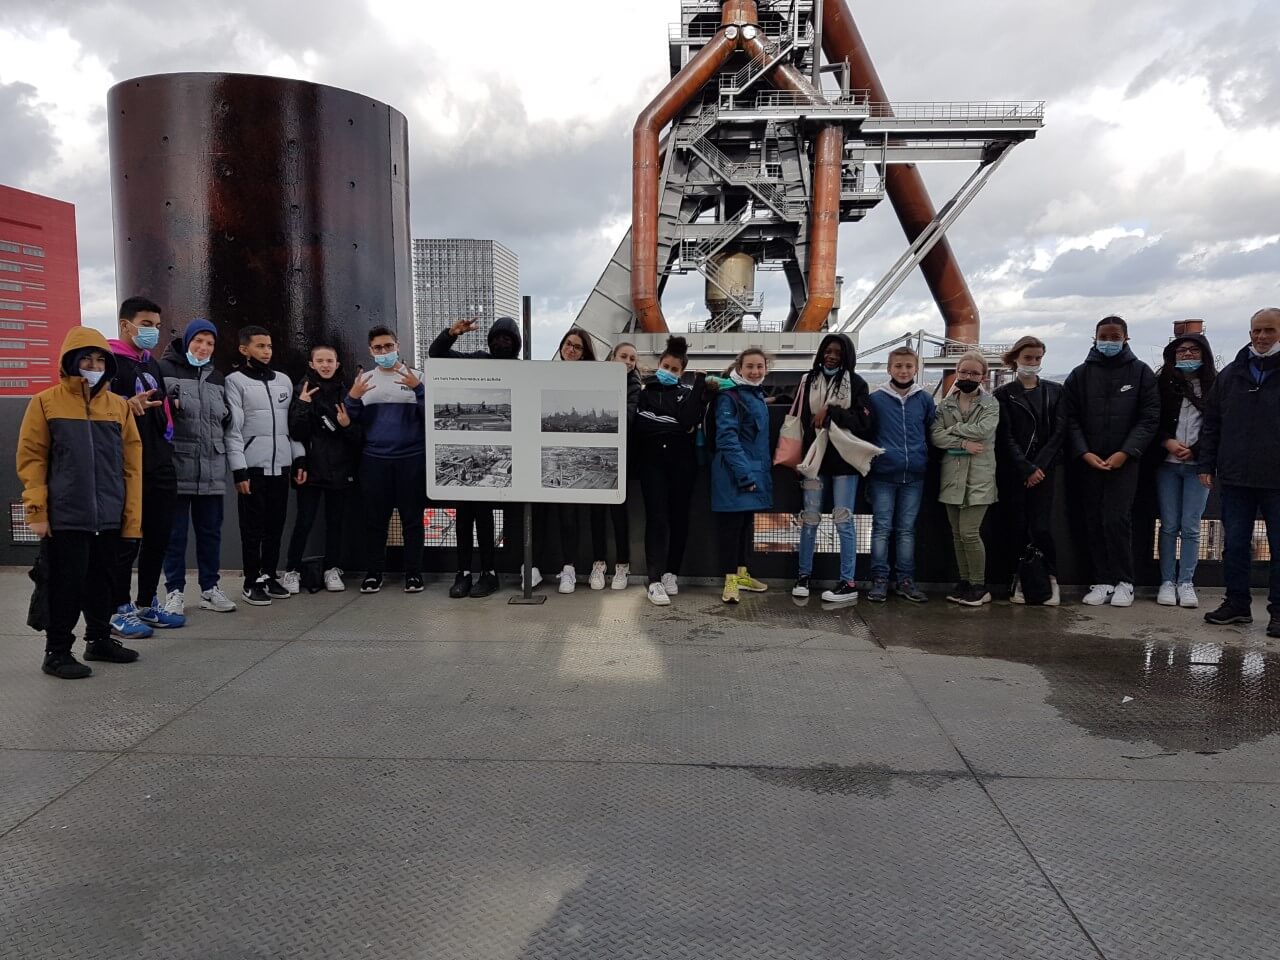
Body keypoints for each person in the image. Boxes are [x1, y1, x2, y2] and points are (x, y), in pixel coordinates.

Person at [17, 329, 143, 679]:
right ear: (70, 361)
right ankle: (57, 652)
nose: (93, 365)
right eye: (86, 358)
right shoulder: (45, 402)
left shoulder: (118, 407)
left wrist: (131, 518)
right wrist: (37, 510)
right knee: (64, 585)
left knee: (103, 582)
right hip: (66, 515)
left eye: (100, 359)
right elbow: (32, 459)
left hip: (110, 515)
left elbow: (132, 467)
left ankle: (99, 639)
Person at [1063, 315, 1160, 607]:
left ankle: (1124, 582)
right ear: (1094, 339)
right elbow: (1069, 418)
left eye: (1114, 337)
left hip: (1125, 462)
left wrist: (1126, 452)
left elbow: (1149, 417)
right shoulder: (1080, 374)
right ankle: (1102, 580)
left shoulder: (1141, 373)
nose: (1108, 342)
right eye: (1103, 337)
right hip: (1089, 461)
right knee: (1093, 519)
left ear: (1126, 338)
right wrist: (1084, 452)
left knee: (1117, 520)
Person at [1200, 308, 1280, 638]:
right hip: (1235, 475)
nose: (1261, 336)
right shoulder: (1231, 374)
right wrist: (1206, 464)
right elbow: (1212, 422)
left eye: (1269, 330)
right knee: (1234, 545)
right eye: (1256, 330)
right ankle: (1236, 604)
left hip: (1276, 479)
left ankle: (1278, 612)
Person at [106, 296, 184, 638]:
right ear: (126, 325)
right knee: (126, 541)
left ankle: (146, 601)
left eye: (157, 325)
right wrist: (126, 404)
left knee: (159, 536)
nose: (153, 331)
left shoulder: (152, 365)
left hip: (160, 463)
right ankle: (118, 607)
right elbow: (95, 406)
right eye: (146, 325)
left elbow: (162, 408)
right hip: (126, 467)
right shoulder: (109, 363)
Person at [428, 315, 522, 598]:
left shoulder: (522, 370)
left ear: (516, 343)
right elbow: (437, 354)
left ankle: (488, 573)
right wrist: (451, 333)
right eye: (497, 338)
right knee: (464, 515)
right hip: (473, 449)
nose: (501, 343)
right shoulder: (477, 359)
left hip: (497, 451)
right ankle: (464, 573)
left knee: (483, 516)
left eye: (507, 339)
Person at [158, 319, 238, 614]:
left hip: (212, 467)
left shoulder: (218, 377)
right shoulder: (164, 370)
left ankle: (210, 589)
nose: (204, 347)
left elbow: (226, 419)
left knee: (210, 534)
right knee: (175, 535)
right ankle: (174, 591)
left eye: (210, 343)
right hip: (177, 466)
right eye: (199, 341)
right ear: (187, 341)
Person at [790, 333, 876, 605]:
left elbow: (863, 422)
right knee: (809, 519)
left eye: (838, 352)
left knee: (843, 519)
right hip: (814, 461)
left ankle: (848, 582)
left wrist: (830, 413)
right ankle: (803, 576)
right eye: (828, 351)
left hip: (843, 463)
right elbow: (799, 415)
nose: (831, 356)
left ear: (846, 356)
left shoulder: (857, 384)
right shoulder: (808, 381)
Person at [225, 326, 303, 606]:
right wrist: (239, 469)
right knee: (252, 529)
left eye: (269, 346)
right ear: (244, 349)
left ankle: (269, 575)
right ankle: (251, 581)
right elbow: (233, 430)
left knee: (275, 526)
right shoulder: (234, 381)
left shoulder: (283, 381)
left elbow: (292, 425)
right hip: (253, 468)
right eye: (260, 346)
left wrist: (298, 457)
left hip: (281, 467)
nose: (266, 351)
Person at [634, 336, 716, 605]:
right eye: (665, 366)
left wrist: (699, 384)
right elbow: (643, 425)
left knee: (679, 518)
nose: (668, 372)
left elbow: (689, 418)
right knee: (656, 519)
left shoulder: (688, 392)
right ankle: (654, 579)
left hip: (683, 464)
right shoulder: (645, 392)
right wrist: (676, 423)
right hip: (651, 463)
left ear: (682, 372)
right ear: (659, 364)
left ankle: (672, 573)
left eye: (674, 369)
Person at [345, 326, 426, 595]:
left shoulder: (417, 377)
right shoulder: (364, 380)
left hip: (411, 459)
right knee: (375, 522)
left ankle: (413, 574)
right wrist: (353, 397)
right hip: (374, 460)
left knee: (412, 521)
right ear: (370, 351)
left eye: (388, 346)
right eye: (378, 348)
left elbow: (433, 415)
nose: (384, 351)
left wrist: (419, 390)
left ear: (398, 346)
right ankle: (374, 574)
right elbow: (349, 418)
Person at [282, 345, 362, 594]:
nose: (325, 365)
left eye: (330, 361)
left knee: (335, 523)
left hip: (340, 469)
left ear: (337, 364)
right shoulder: (302, 390)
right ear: (312, 364)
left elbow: (358, 437)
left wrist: (346, 425)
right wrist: (303, 405)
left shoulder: (347, 393)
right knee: (304, 522)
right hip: (310, 470)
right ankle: (292, 570)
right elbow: (295, 432)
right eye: (320, 361)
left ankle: (332, 569)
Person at [993, 336, 1066, 605]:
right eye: (1028, 358)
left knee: (1042, 527)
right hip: (1015, 472)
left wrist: (1039, 467)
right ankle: (1021, 578)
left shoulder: (1055, 391)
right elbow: (1005, 436)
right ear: (1015, 359)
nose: (1033, 363)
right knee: (1017, 527)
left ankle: (1051, 579)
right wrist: (1025, 468)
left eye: (1037, 358)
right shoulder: (1003, 395)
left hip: (1044, 472)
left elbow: (1059, 432)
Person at [865, 347, 936, 603]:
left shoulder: (924, 399)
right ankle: (879, 579)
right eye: (898, 366)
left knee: (906, 530)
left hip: (914, 474)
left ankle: (906, 580)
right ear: (889, 369)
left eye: (908, 366)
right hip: (883, 474)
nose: (903, 371)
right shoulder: (876, 400)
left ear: (916, 368)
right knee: (881, 528)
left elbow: (932, 430)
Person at [1154, 331, 1217, 608]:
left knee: (1191, 526)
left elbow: (1218, 425)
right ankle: (1167, 581)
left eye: (1194, 350)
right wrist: (1167, 442)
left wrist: (1197, 450)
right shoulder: (1162, 384)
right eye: (1182, 350)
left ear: (1204, 354)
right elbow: (1151, 419)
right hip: (1166, 464)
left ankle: (1187, 582)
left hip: (1198, 467)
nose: (1188, 354)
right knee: (1169, 525)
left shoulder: (1215, 385)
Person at [545, 327, 610, 594]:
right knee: (567, 516)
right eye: (568, 344)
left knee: (597, 515)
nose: (571, 350)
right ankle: (568, 568)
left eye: (577, 347)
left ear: (585, 353)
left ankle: (599, 565)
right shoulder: (549, 375)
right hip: (564, 452)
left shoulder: (596, 377)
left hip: (592, 449)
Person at [932, 351, 1000, 606]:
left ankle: (978, 585)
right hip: (953, 476)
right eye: (963, 372)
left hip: (979, 478)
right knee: (957, 534)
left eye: (974, 373)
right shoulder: (945, 405)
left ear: (983, 376)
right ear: (957, 372)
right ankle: (965, 582)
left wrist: (952, 431)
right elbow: (935, 436)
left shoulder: (990, 404)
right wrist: (962, 443)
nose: (968, 377)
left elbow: (983, 431)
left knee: (969, 533)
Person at [710, 347, 772, 604]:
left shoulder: (755, 395)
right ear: (739, 368)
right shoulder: (730, 397)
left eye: (760, 366)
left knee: (746, 527)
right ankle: (730, 581)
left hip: (752, 471)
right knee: (731, 530)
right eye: (750, 366)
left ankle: (742, 574)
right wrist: (745, 475)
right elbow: (727, 439)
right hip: (735, 475)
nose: (755, 371)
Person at [605, 341, 642, 590]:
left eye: (632, 358)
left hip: (624, 456)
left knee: (619, 510)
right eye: (624, 356)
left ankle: (622, 564)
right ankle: (598, 564)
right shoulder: (600, 380)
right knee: (598, 512)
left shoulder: (635, 386)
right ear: (613, 357)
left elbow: (627, 419)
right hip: (601, 451)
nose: (628, 362)